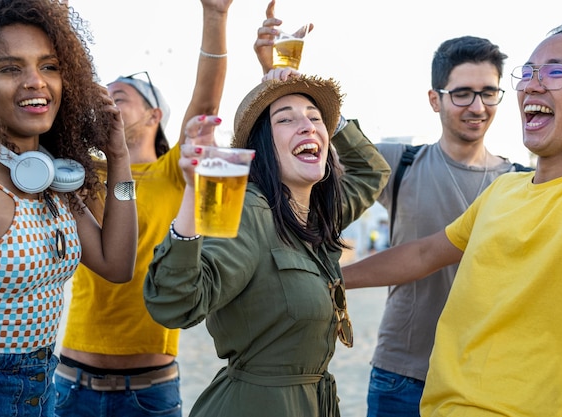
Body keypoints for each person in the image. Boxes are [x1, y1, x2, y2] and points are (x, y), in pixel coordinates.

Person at [254, 8, 531, 416]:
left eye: (488, 92)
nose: (477, 105)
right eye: (462, 93)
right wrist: (274, 79)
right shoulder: (399, 163)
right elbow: (298, 149)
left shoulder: (523, 182)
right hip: (401, 373)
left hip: (487, 374)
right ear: (434, 99)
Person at [343, 21, 562, 417]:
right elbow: (423, 254)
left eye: (556, 71)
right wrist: (330, 281)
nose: (532, 84)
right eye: (528, 72)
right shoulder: (504, 191)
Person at [142, 67, 391, 416]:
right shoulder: (247, 207)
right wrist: (192, 195)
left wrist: (328, 118)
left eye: (315, 118)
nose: (307, 126)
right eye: (285, 120)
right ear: (261, 147)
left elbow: (372, 172)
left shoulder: (313, 216)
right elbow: (175, 302)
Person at [53, 1, 232, 416]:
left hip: (150, 390)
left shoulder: (174, 170)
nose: (109, 106)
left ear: (154, 114)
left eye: (120, 97)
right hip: (71, 381)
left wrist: (216, 17)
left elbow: (205, 104)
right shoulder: (83, 170)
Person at [0, 1, 137, 416]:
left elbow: (117, 264)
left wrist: (119, 157)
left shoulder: (54, 180)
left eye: (50, 66)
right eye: (9, 68)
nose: (35, 82)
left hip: (43, 385)